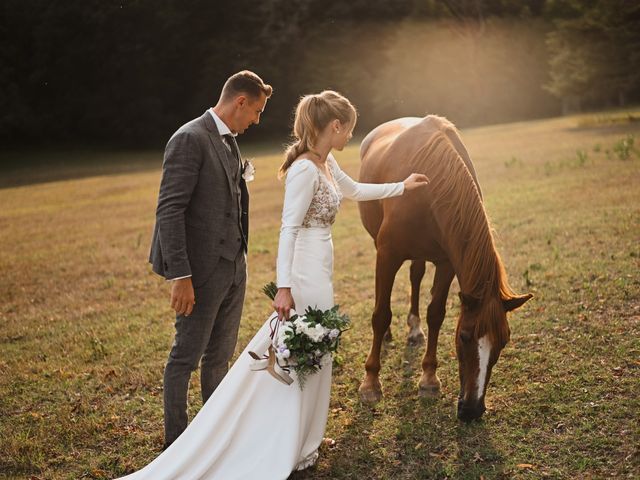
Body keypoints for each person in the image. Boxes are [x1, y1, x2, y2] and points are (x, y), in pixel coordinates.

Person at [121, 90, 428, 479]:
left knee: (317, 352)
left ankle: (306, 440)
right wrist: (284, 287)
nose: (350, 137)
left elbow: (355, 191)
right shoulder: (303, 169)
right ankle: (283, 439)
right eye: (348, 129)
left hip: (322, 266)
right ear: (334, 126)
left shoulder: (326, 161)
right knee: (303, 352)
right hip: (303, 272)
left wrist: (402, 186)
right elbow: (288, 228)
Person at [148, 70, 272, 449]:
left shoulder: (229, 140)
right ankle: (177, 444)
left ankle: (214, 436)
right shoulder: (189, 139)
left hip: (234, 267)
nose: (256, 120)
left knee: (219, 357)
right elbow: (170, 210)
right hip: (199, 272)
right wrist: (180, 275)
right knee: (185, 357)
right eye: (256, 111)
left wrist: (239, 261)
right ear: (240, 102)